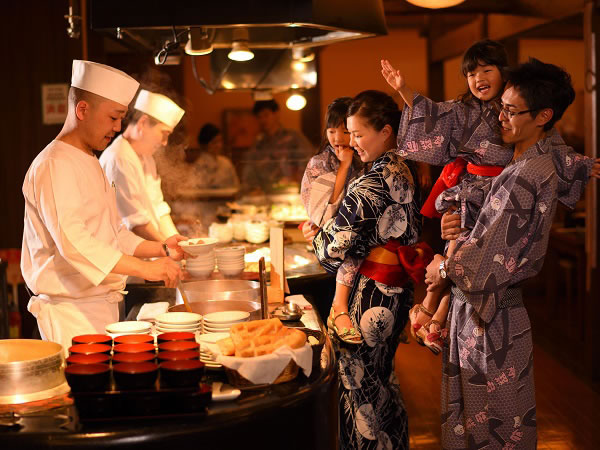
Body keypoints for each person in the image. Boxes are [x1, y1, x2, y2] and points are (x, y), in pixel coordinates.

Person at [381, 40, 600, 353]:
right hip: (471, 188)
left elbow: (554, 146)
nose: (477, 78)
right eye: (471, 73)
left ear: (504, 73)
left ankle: (433, 313)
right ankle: (433, 312)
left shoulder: (524, 113)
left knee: (466, 257)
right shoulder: (465, 110)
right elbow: (431, 115)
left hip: (500, 188)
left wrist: (583, 164)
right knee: (457, 246)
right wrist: (404, 89)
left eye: (486, 69)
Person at [421, 58, 586, 448]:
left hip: (490, 318)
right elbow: (487, 235)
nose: (501, 118)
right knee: (493, 419)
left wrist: (443, 266)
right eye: (502, 108)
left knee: (489, 425)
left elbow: (486, 263)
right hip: (492, 313)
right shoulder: (525, 164)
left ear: (544, 116)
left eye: (512, 112)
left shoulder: (526, 174)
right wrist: (456, 226)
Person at [21, 60, 183, 353]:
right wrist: (147, 270)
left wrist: (161, 249)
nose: (118, 127)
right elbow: (74, 242)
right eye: (113, 117)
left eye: (121, 117)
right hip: (70, 314)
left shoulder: (90, 160)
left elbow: (114, 233)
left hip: (99, 305)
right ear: (82, 110)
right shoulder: (54, 163)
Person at [313, 90, 431, 449]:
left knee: (358, 389)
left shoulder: (373, 183)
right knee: (382, 382)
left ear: (385, 131)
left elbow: (330, 248)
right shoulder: (405, 169)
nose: (352, 143)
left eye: (359, 134)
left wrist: (319, 236)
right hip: (394, 293)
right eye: (349, 134)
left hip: (369, 297)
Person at [300, 97, 365, 343]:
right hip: (331, 251)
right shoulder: (319, 163)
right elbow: (321, 214)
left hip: (361, 251)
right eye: (331, 131)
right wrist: (344, 167)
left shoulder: (367, 158)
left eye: (345, 131)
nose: (337, 137)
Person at [100, 89, 185, 243]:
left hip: (150, 250)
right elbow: (134, 221)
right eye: (164, 133)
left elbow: (158, 206)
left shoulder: (147, 158)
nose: (165, 143)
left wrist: (178, 242)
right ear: (143, 123)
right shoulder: (119, 158)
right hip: (125, 253)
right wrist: (167, 247)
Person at [241, 99, 313, 193]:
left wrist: (295, 178)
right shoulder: (258, 144)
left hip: (294, 192)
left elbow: (309, 162)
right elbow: (250, 169)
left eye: (266, 115)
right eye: (259, 117)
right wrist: (252, 188)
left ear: (276, 114)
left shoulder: (293, 137)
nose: (263, 120)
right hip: (266, 195)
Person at [183, 123, 240, 190]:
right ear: (205, 144)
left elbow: (236, 186)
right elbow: (194, 190)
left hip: (227, 199)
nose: (219, 145)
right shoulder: (198, 166)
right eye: (214, 142)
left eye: (220, 141)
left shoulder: (226, 163)